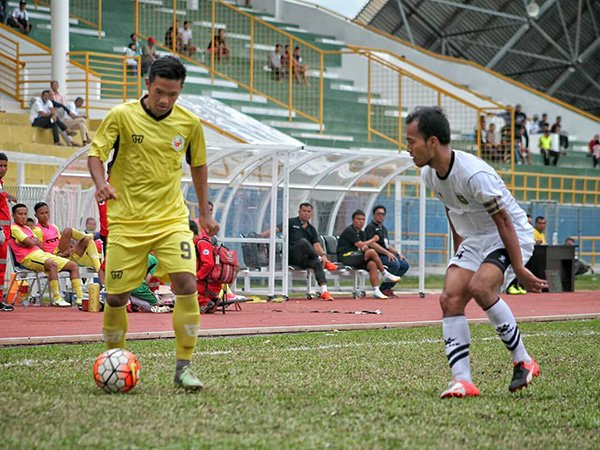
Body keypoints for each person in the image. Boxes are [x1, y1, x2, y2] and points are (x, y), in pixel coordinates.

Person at [88, 56, 218, 391]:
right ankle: (112, 361)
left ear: (180, 91)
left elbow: (199, 166)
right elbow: (96, 153)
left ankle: (183, 368)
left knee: (187, 283)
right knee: (115, 298)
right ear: (148, 84)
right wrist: (101, 182)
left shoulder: (189, 124)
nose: (165, 100)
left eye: (173, 94)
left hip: (170, 219)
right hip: (127, 222)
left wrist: (204, 212)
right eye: (160, 92)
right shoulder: (122, 116)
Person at [405, 106, 546, 398]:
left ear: (432, 142)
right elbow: (451, 209)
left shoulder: (474, 174)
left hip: (510, 233)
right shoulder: (429, 175)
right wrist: (461, 251)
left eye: (411, 141)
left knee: (481, 287)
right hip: (476, 238)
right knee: (450, 296)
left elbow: (504, 220)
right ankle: (463, 381)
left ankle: (524, 360)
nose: (408, 148)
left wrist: (518, 268)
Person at [10, 203, 84, 307]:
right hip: (27, 258)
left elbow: (38, 243)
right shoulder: (14, 228)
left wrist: (30, 241)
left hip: (41, 254)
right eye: (20, 214)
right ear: (13, 215)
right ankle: (57, 298)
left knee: (73, 265)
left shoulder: (28, 228)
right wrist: (32, 241)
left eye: (25, 214)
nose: (23, 216)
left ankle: (81, 298)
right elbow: (32, 243)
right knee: (52, 264)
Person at [262, 202, 337, 301]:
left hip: (305, 258)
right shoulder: (291, 222)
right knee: (303, 242)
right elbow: (276, 229)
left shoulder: (312, 229)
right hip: (291, 255)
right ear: (299, 211)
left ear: (311, 214)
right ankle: (319, 259)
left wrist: (323, 256)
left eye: (309, 211)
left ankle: (324, 291)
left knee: (316, 263)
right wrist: (261, 236)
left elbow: (317, 245)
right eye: (304, 211)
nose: (306, 213)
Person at [337, 209, 401, 299]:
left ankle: (376, 291)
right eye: (358, 219)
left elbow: (364, 246)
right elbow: (360, 244)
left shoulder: (362, 233)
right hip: (346, 257)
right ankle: (384, 273)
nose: (361, 222)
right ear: (353, 220)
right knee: (371, 252)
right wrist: (373, 239)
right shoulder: (349, 231)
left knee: (372, 264)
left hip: (356, 257)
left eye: (363, 219)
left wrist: (366, 247)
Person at [32, 202, 101, 273]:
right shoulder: (37, 230)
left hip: (68, 254)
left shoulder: (54, 227)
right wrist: (58, 255)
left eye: (46, 212)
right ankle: (92, 236)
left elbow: (61, 241)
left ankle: (99, 269)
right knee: (67, 231)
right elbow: (40, 252)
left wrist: (72, 247)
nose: (45, 215)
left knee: (87, 239)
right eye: (42, 213)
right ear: (36, 215)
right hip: (55, 257)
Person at [364, 205, 409, 298]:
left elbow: (387, 245)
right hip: (377, 256)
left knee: (404, 264)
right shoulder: (370, 227)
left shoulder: (383, 229)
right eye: (378, 214)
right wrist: (387, 253)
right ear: (374, 215)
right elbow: (372, 244)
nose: (381, 216)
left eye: (383, 214)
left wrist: (398, 253)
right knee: (395, 264)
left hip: (385, 254)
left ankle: (386, 287)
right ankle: (383, 289)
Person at [0, 153, 16, 312]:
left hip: (3, 234)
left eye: (5, 166)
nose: (3, 169)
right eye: (0, 166)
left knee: (1, 267)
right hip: (0, 233)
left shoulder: (0, 184)